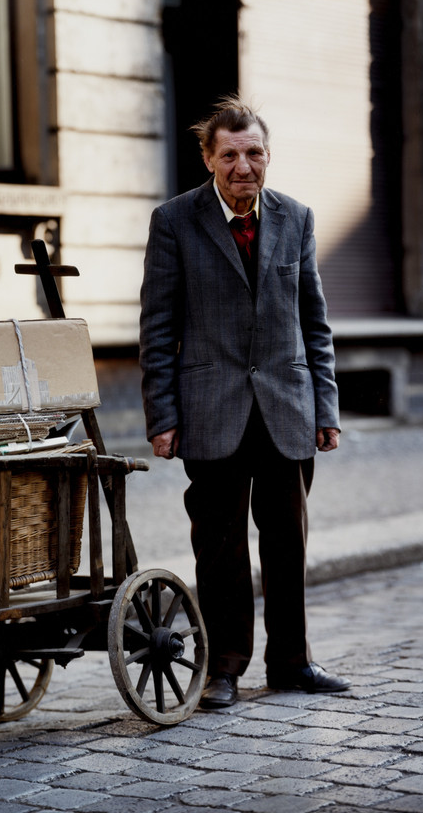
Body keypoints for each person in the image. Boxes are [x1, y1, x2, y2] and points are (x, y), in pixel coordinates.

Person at [138, 95, 350, 709]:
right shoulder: (175, 221)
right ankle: (224, 666)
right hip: (211, 407)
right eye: (229, 154)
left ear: (266, 157)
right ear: (209, 157)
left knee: (288, 540)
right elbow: (157, 327)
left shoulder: (298, 219)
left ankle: (292, 662)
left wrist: (326, 408)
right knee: (220, 544)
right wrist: (163, 416)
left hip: (286, 406)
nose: (243, 166)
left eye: (254, 153)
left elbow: (315, 323)